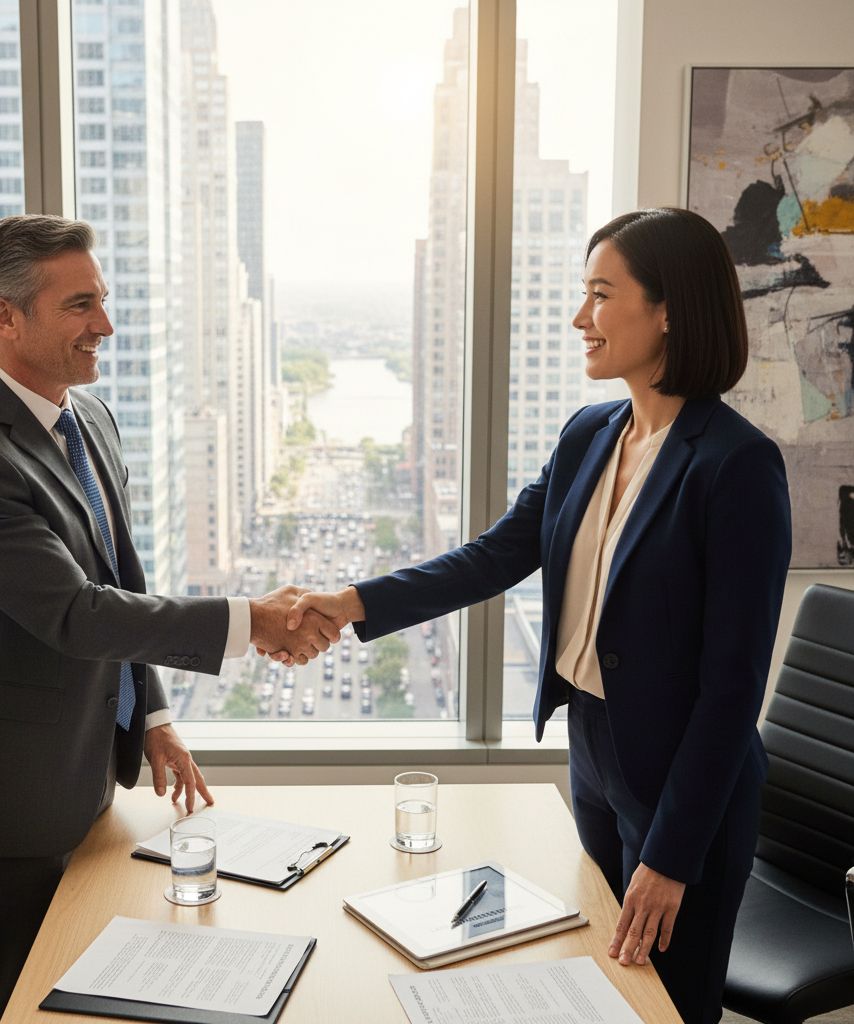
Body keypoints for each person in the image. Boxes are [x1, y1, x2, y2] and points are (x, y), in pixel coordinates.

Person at [282, 208, 792, 1024]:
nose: (580, 317)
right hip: (592, 755)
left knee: (666, 1009)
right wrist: (351, 604)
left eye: (600, 294)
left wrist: (670, 855)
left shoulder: (736, 467)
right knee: (599, 990)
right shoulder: (591, 433)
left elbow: (732, 690)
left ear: (667, 311)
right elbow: (492, 557)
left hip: (683, 790)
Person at [0, 214, 338, 1024]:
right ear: (5, 316)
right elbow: (76, 613)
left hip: (84, 771)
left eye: (101, 300)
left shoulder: (89, 420)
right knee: (11, 1004)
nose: (104, 325)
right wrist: (255, 622)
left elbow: (119, 579)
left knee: (86, 995)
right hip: (7, 791)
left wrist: (152, 716)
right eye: (79, 306)